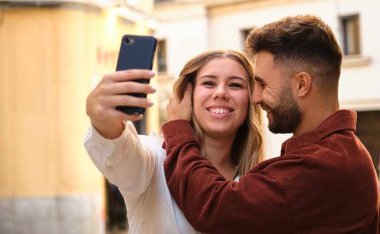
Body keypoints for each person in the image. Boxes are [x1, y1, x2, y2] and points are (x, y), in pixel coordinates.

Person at [162, 15, 380, 233]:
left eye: (263, 85)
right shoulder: (341, 152)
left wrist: (178, 129)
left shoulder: (321, 165)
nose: (255, 98)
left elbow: (216, 208)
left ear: (302, 85)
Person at [84, 50, 265, 234]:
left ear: (251, 99)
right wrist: (103, 120)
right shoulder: (154, 160)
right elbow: (122, 156)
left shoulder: (259, 182)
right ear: (186, 97)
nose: (221, 93)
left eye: (235, 85)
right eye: (209, 83)